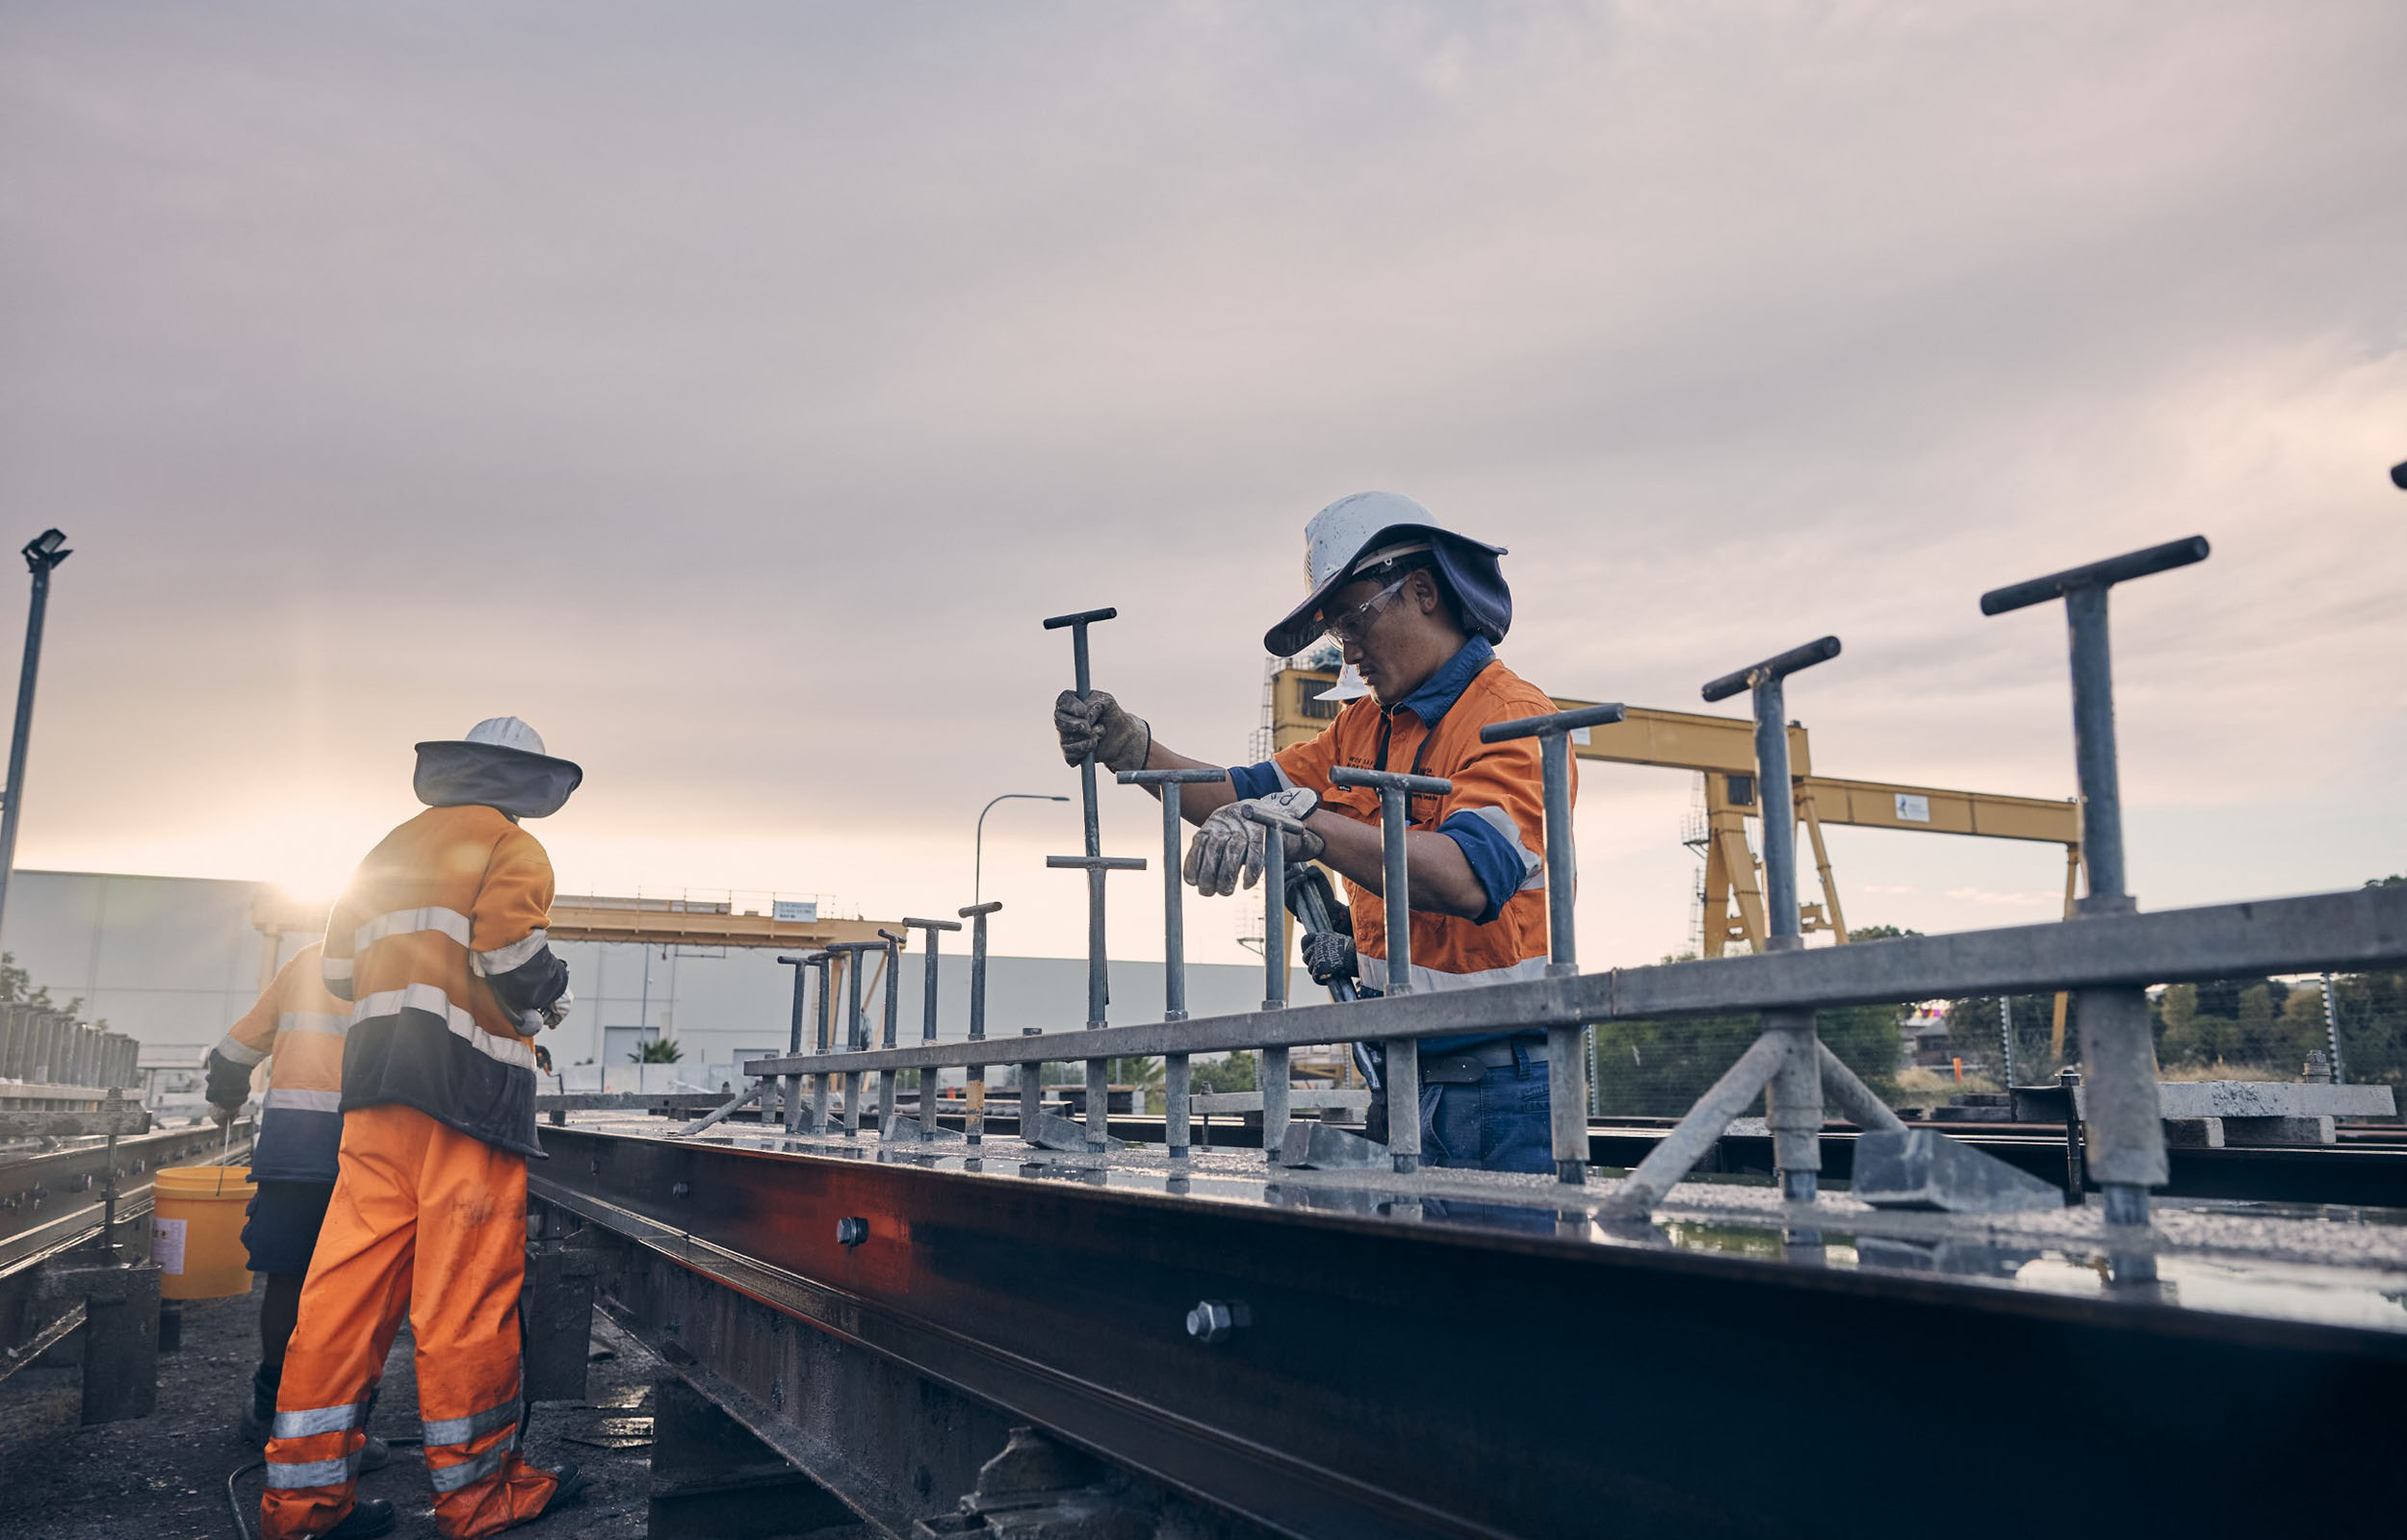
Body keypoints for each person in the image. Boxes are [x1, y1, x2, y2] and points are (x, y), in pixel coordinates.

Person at [1054, 491, 1567, 1171]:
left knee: (1501, 1279)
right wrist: (1133, 749)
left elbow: (1466, 877)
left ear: (1421, 592)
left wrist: (1309, 826)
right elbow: (1241, 794)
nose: (1348, 653)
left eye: (1354, 622)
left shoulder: (1512, 718)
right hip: (1406, 1073)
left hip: (1506, 1086)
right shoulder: (1366, 728)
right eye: (1337, 635)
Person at [261, 718, 586, 1540]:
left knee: (342, 1293)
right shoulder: (511, 847)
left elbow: (338, 973)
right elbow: (513, 960)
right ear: (526, 782)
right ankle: (479, 1498)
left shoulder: (386, 852)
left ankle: (302, 1504)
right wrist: (551, 996)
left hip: (373, 1097)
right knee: (464, 1299)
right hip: (468, 1101)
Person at [203, 943, 393, 1467]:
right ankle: (344, 1426)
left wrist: (225, 1100)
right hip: (376, 1150)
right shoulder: (417, 959)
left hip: (295, 1145)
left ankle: (270, 1411)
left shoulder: (308, 962)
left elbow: (232, 1053)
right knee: (364, 1289)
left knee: (288, 1279)